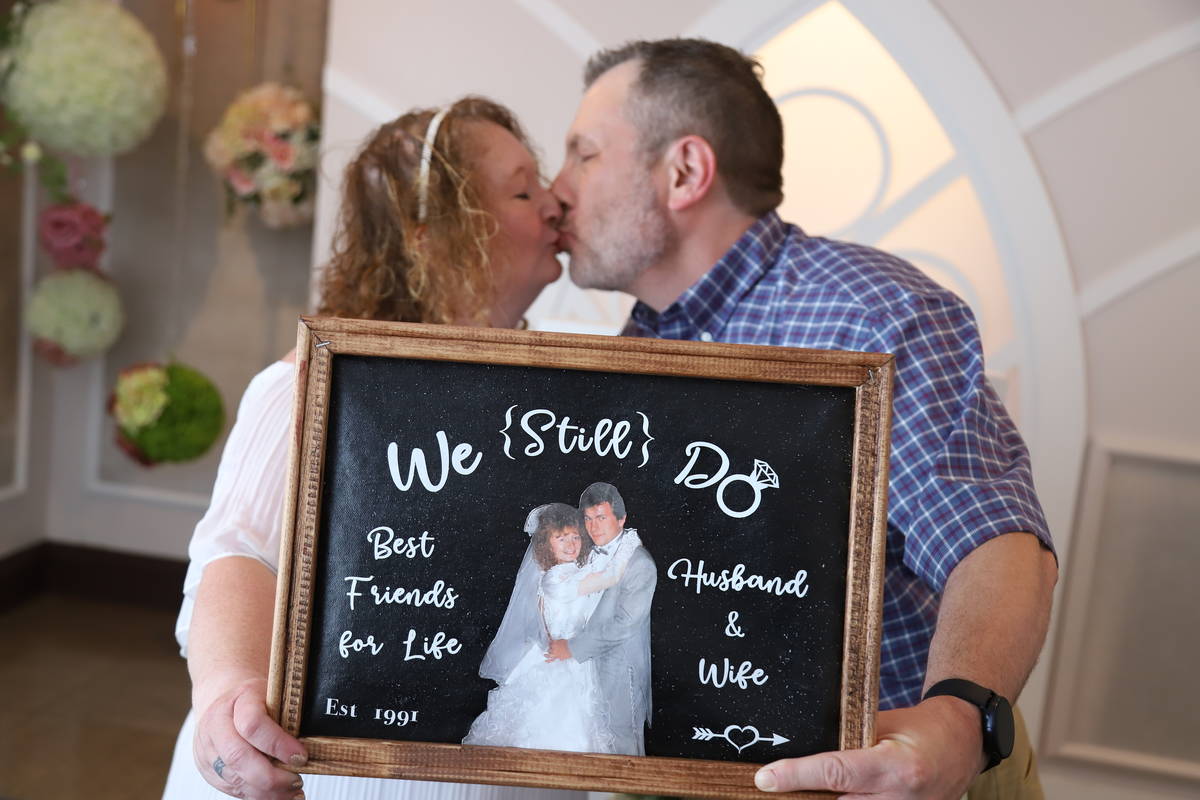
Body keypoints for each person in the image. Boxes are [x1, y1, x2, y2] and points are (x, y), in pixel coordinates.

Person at [550, 39, 1058, 799]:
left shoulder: (872, 313)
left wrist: (959, 719)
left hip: (887, 777)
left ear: (684, 171)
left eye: (583, 155)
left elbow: (990, 538)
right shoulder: (638, 348)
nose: (558, 191)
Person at [162, 96, 581, 800]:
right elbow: (236, 552)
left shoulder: (569, 405)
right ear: (431, 235)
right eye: (522, 189)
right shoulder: (318, 386)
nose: (555, 206)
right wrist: (229, 688)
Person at [464, 502, 642, 753]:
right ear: (546, 545)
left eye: (575, 537)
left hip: (579, 659)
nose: (571, 545)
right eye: (561, 539)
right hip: (559, 663)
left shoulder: (578, 570)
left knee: (586, 725)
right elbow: (608, 577)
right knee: (558, 725)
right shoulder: (555, 580)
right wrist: (628, 543)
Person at [544, 482, 656, 756]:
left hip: (618, 670)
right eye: (588, 519)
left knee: (621, 743)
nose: (594, 527)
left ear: (621, 518)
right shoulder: (584, 553)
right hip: (582, 672)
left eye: (601, 517)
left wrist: (571, 648)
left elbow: (624, 624)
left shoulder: (639, 563)